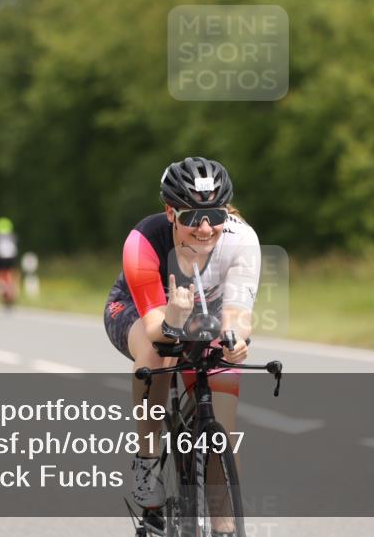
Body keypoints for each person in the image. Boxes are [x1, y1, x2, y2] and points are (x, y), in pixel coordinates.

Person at [103, 157, 259, 531]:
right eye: (191, 218)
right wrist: (173, 318)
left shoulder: (242, 240)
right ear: (171, 212)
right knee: (158, 352)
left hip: (207, 314)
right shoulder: (144, 241)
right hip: (141, 311)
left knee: (222, 432)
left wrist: (236, 340)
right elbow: (156, 327)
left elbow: (237, 311)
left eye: (215, 216)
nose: (204, 229)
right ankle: (148, 458)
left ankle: (224, 528)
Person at [0, 217, 20, 300]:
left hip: (0, 258)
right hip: (12, 258)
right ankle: (13, 288)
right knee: (12, 271)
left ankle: (1, 286)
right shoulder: (13, 235)